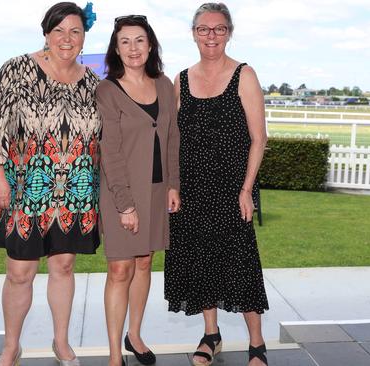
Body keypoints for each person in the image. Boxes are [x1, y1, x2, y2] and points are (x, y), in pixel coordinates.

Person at [0, 2, 99, 366]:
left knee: (63, 267)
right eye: (59, 30)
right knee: (20, 271)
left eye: (75, 31)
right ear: (46, 33)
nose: (67, 38)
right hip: (25, 189)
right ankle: (11, 346)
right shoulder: (17, 69)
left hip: (76, 192)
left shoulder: (93, 81)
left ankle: (60, 343)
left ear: (83, 37)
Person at [163, 3, 269, 366]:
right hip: (191, 188)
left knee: (240, 261)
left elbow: (259, 138)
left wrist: (246, 189)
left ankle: (257, 342)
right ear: (193, 33)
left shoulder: (245, 74)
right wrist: (172, 185)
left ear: (229, 32)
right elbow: (172, 138)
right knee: (200, 261)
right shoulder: (182, 78)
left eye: (219, 29)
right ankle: (211, 335)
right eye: (204, 29)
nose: (211, 36)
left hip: (232, 190)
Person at [96, 15, 180, 366]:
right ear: (116, 48)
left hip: (158, 190)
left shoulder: (164, 85)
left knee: (144, 263)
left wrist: (174, 184)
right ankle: (116, 353)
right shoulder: (107, 90)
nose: (133, 48)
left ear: (151, 45)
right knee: (120, 270)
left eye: (140, 40)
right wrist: (125, 205)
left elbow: (173, 138)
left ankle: (135, 335)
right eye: (126, 41)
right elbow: (110, 151)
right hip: (121, 192)